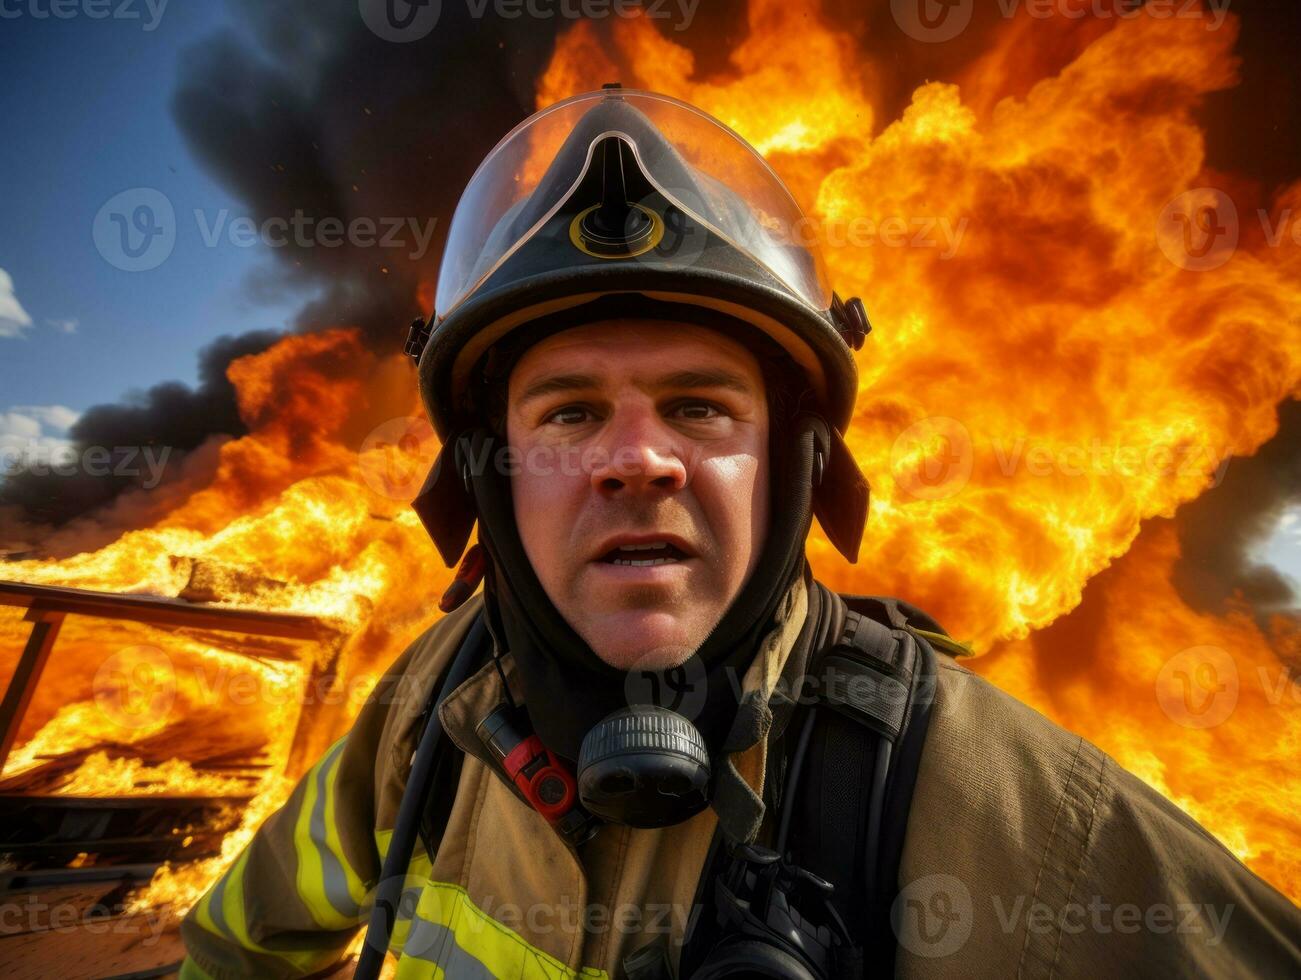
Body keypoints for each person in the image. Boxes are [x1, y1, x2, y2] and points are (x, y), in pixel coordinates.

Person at [178, 86, 1301, 980]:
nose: (638, 457)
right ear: (486, 475)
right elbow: (239, 938)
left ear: (794, 467)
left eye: (699, 407)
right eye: (568, 410)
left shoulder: (1002, 811)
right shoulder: (433, 707)